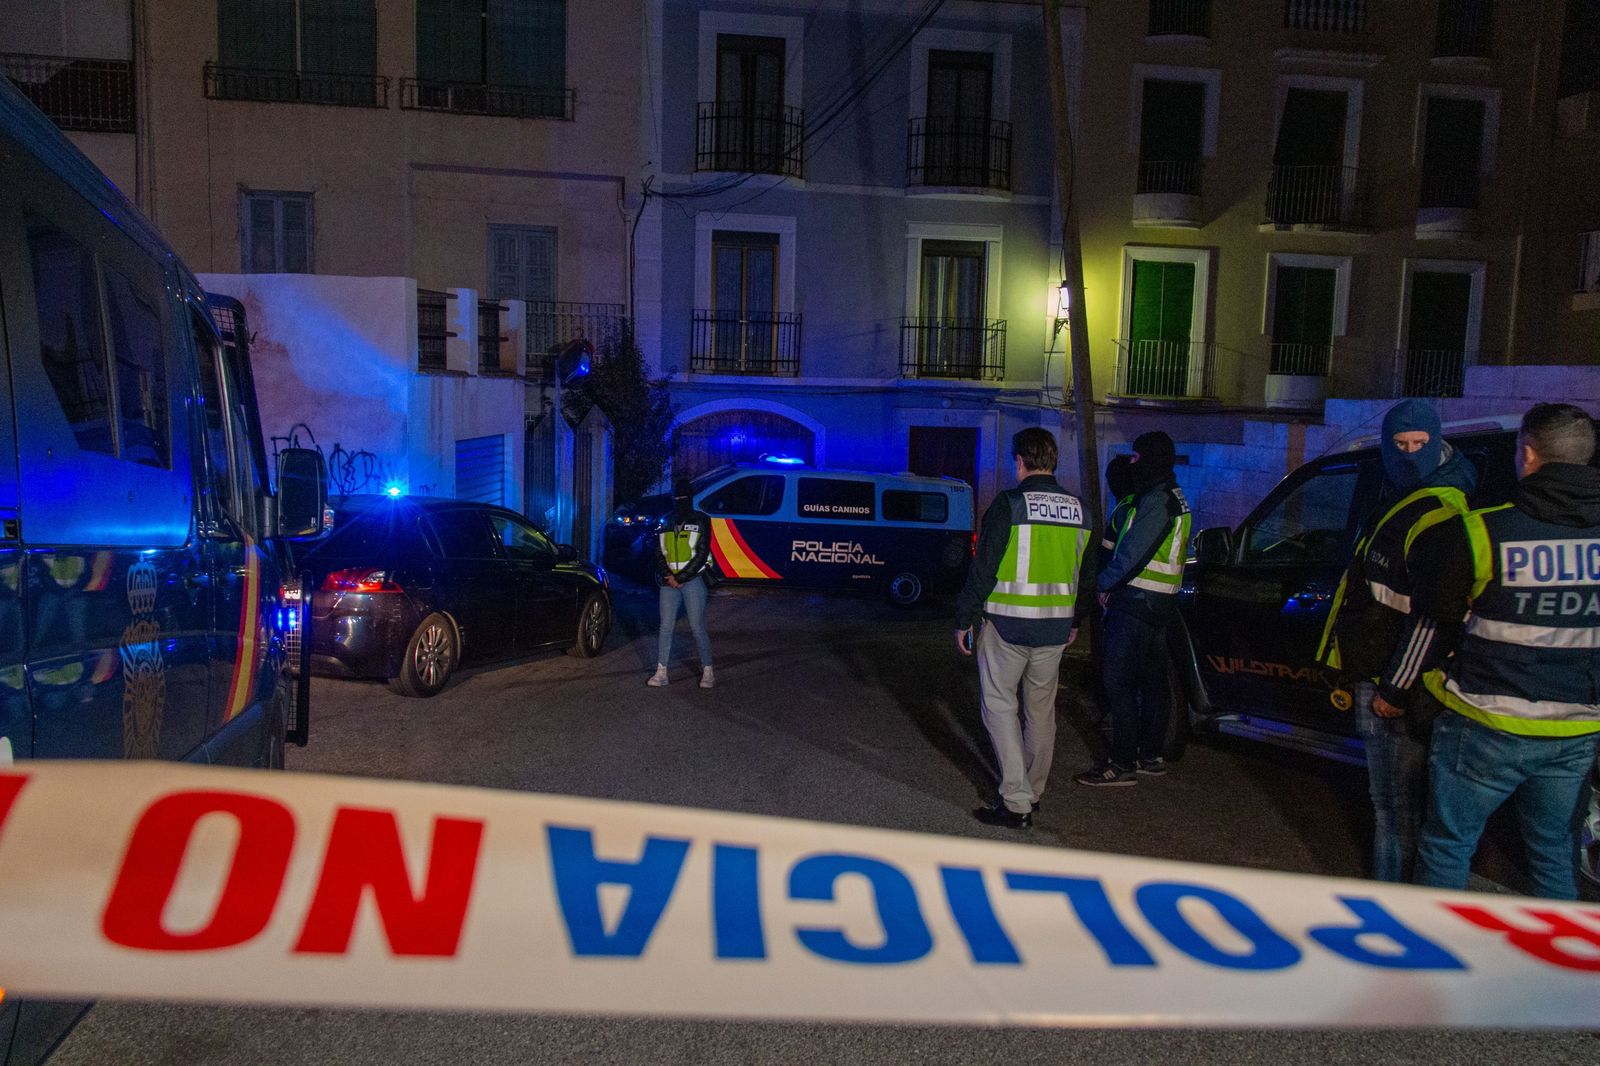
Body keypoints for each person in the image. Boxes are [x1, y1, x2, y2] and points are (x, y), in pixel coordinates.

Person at [1400, 403, 1600, 899]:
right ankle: (1560, 972)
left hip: (1488, 720)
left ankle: (1433, 961)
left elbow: (1438, 613)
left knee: (1448, 846)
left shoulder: (1481, 531)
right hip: (1578, 727)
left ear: (1528, 455)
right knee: (1553, 852)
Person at [1315, 399, 1478, 883]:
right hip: (1388, 672)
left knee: (1394, 810)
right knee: (1400, 807)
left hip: (1395, 681)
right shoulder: (1411, 493)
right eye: (1400, 445)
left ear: (1437, 442)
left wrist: (1394, 688)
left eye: (1419, 445)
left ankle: (1393, 913)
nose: (1409, 455)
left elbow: (1434, 612)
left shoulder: (1437, 509)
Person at [955, 428, 1090, 829]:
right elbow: (1087, 574)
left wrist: (964, 617)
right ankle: (1032, 791)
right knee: (1041, 713)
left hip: (1007, 627)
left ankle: (1015, 803)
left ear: (1019, 461)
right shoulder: (1080, 510)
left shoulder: (1010, 504)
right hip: (1055, 630)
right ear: (1052, 461)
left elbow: (984, 569)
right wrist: (1076, 620)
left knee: (999, 708)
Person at [1075, 431, 1190, 786]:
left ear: (1152, 458)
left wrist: (1101, 584)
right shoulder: (1174, 496)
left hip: (1136, 603)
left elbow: (1131, 555)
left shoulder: (1155, 501)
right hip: (1159, 605)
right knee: (1154, 683)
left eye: (1137, 457)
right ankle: (1149, 756)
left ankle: (1122, 763)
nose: (1133, 464)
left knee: (1119, 681)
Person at [648, 477, 715, 689]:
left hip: (693, 581)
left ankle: (708, 671)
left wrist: (680, 577)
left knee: (697, 627)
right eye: (677, 497)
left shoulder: (702, 520)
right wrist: (669, 576)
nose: (680, 501)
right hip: (669, 583)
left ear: (691, 498)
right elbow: (658, 552)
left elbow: (702, 553)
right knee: (665, 627)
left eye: (683, 497)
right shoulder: (665, 521)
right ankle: (661, 672)